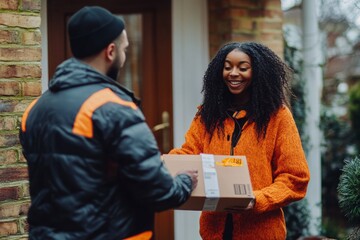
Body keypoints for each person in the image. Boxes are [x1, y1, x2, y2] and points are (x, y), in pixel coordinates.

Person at [19, 6, 198, 240]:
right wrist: (185, 181)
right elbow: (159, 192)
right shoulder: (113, 108)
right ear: (111, 51)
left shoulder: (35, 109)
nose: (124, 57)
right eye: (124, 49)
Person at [169, 42, 310, 239]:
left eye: (243, 68)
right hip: (214, 231)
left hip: (261, 231)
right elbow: (189, 153)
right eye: (227, 67)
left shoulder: (278, 117)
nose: (233, 73)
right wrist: (162, 163)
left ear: (259, 73)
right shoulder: (207, 115)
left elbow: (295, 178)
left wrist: (257, 199)